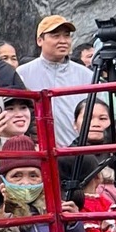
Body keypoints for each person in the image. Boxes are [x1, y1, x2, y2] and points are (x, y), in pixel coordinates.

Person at [14, 17, 93, 146]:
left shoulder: (87, 76)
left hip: (79, 151)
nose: (63, 41)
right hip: (38, 151)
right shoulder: (22, 73)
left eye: (67, 36)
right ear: (40, 40)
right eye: (55, 36)